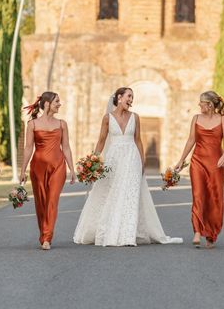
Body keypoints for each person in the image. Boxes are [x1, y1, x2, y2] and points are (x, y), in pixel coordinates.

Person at [73, 87, 182, 246]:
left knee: (130, 194)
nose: (131, 100)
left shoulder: (135, 117)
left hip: (132, 158)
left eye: (132, 97)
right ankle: (108, 230)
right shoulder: (107, 118)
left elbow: (138, 140)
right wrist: (93, 160)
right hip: (113, 159)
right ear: (119, 97)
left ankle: (127, 235)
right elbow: (102, 140)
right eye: (129, 96)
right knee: (112, 192)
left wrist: (142, 161)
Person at [20, 92, 75, 250]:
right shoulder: (33, 125)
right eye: (57, 101)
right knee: (41, 203)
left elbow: (66, 147)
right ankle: (43, 233)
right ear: (46, 104)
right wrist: (23, 170)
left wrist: (71, 169)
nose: (60, 104)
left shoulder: (62, 124)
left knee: (52, 201)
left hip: (58, 167)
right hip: (38, 168)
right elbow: (28, 148)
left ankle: (47, 237)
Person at [175, 91, 224, 248]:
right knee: (198, 195)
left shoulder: (222, 119)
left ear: (210, 105)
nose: (199, 105)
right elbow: (191, 139)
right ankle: (198, 231)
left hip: (216, 163)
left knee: (214, 197)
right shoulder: (196, 118)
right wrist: (181, 160)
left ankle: (211, 234)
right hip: (198, 161)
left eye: (201, 103)